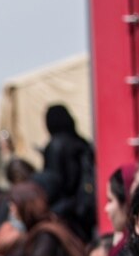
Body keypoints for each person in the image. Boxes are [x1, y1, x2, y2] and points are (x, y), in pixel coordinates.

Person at [36, 104, 96, 243]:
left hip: (65, 211)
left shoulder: (55, 145)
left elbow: (54, 181)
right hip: (84, 207)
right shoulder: (82, 143)